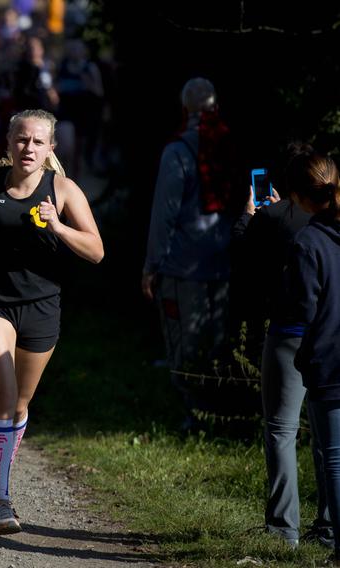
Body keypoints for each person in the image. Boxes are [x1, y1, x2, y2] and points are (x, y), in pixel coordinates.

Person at [0, 108, 103, 535]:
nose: (28, 148)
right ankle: (0, 501)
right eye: (21, 140)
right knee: (3, 395)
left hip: (42, 308)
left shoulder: (64, 190)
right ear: (9, 143)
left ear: (50, 148)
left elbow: (95, 251)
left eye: (37, 142)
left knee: (19, 405)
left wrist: (59, 227)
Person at [232, 146, 334, 549]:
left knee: (280, 430)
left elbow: (241, 251)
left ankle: (283, 529)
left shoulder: (274, 217)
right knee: (331, 438)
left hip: (288, 334)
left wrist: (251, 214)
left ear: (289, 186)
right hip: (332, 334)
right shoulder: (334, 218)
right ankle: (329, 528)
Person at [141, 77, 234, 431]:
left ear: (185, 109)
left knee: (185, 341)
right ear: (216, 107)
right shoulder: (231, 145)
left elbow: (164, 214)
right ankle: (220, 415)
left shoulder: (178, 150)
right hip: (225, 263)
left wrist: (151, 265)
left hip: (183, 266)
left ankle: (195, 416)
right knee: (219, 342)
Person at [282, 155, 340, 565]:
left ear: (300, 198)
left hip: (329, 361)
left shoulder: (307, 242)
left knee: (333, 455)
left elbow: (303, 307)